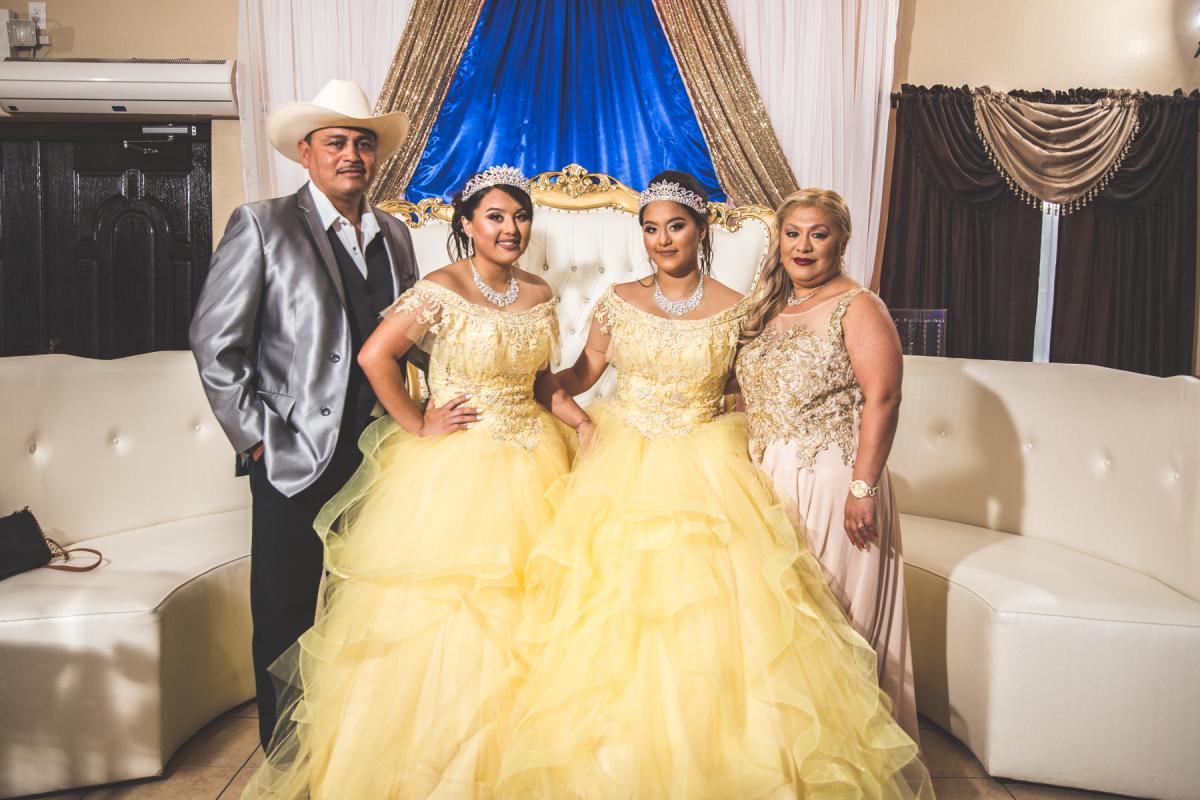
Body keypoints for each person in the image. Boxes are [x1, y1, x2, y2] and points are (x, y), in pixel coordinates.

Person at [496, 172, 932, 798]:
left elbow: (756, 385)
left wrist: (854, 481)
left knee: (719, 614)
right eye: (650, 228)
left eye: (675, 226)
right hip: (623, 462)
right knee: (612, 607)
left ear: (702, 231)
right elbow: (582, 372)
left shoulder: (743, 309)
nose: (662, 240)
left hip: (708, 464)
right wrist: (545, 394)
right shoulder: (620, 300)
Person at [242, 165, 593, 798]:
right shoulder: (439, 287)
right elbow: (374, 355)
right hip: (459, 467)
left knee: (537, 611)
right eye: (495, 217)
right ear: (467, 224)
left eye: (520, 217)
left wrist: (582, 422)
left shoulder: (540, 292)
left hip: (535, 456)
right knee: (450, 617)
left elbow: (542, 381)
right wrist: (418, 421)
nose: (510, 229)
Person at [189, 79, 417, 748]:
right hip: (291, 452)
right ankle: (286, 761)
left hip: (381, 454)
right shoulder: (262, 224)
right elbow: (214, 343)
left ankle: (347, 750)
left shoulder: (397, 235)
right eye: (336, 142)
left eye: (363, 144)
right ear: (306, 152)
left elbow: (409, 338)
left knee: (361, 606)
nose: (351, 155)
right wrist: (257, 439)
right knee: (285, 611)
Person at [735, 187, 919, 740]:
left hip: (831, 478)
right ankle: (789, 746)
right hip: (768, 477)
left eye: (818, 235)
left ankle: (851, 745)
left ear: (841, 240)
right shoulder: (768, 307)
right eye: (792, 234)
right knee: (778, 618)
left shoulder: (859, 305)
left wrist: (863, 488)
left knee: (831, 616)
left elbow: (884, 397)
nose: (803, 246)